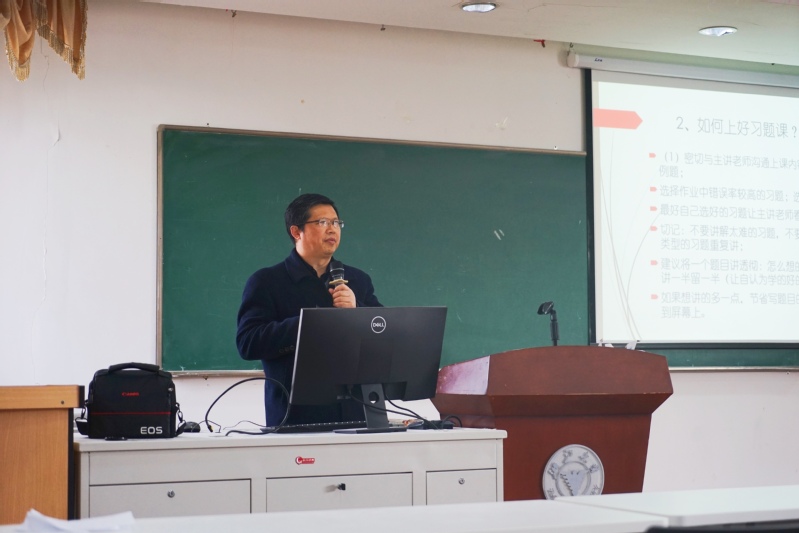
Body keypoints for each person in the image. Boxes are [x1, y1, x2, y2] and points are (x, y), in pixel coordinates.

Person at [236, 193, 382, 426]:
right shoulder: (267, 281)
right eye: (322, 222)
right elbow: (248, 343)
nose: (332, 229)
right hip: (295, 415)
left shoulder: (357, 279)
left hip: (357, 413)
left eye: (336, 222)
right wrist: (309, 323)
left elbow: (383, 332)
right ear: (296, 232)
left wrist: (357, 309)